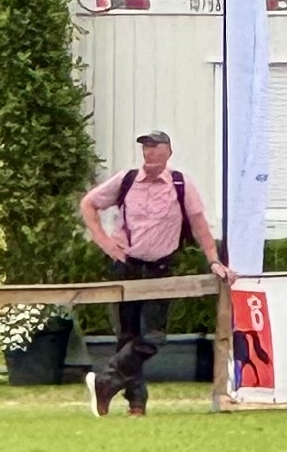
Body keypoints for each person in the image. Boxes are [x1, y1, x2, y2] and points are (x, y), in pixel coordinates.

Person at [78, 130, 237, 417]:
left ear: (168, 152)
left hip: (160, 269)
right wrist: (105, 243)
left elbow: (200, 224)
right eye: (145, 148)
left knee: (153, 337)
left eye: (154, 147)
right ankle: (136, 405)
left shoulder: (179, 184)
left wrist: (214, 261)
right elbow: (88, 204)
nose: (149, 153)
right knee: (127, 336)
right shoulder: (127, 180)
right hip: (126, 265)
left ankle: (105, 380)